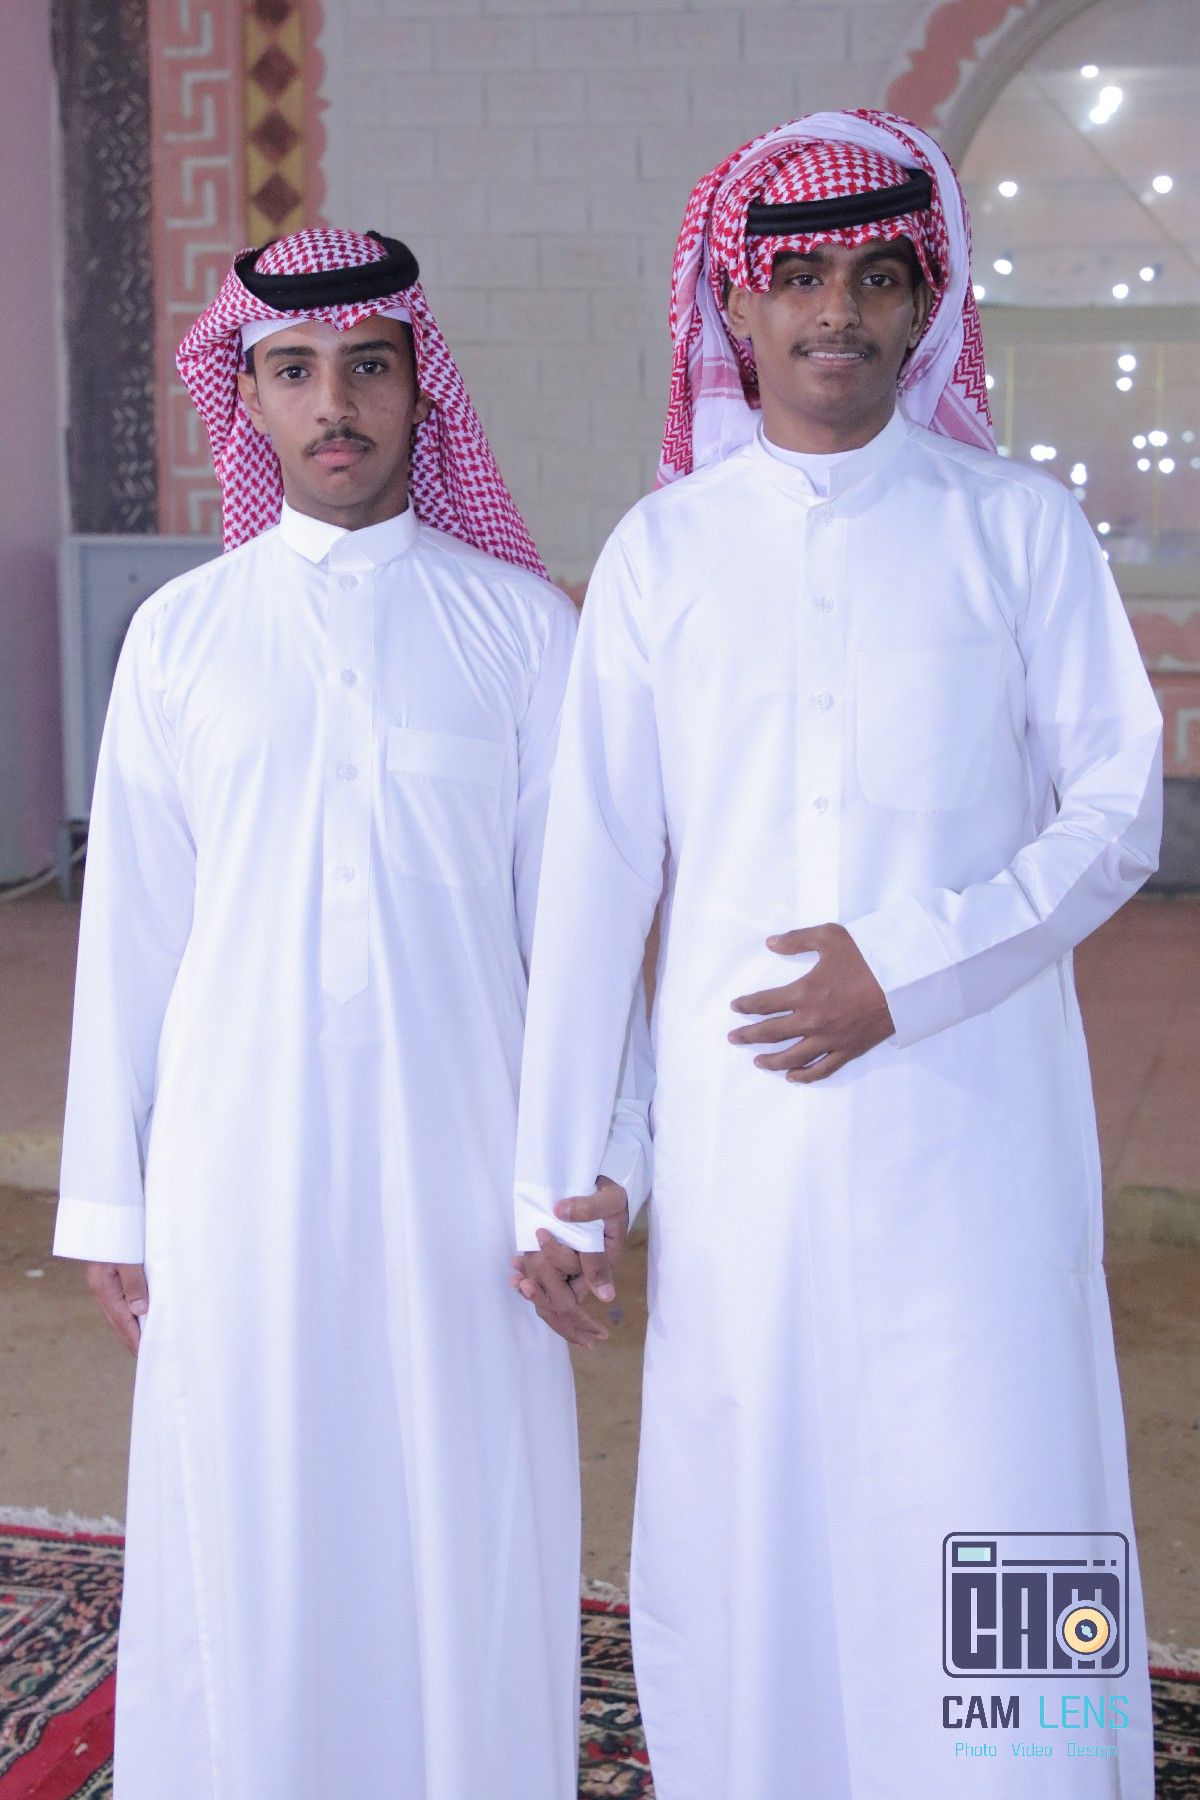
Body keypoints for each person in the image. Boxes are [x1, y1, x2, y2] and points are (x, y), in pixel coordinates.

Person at [512, 112, 1161, 1797]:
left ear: (925, 305)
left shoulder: (1017, 526)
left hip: (975, 1134)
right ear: (732, 306)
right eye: (797, 275)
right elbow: (595, 881)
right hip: (750, 1151)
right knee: (755, 1511)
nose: (837, 312)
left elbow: (1117, 810)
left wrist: (912, 965)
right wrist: (571, 1170)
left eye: (879, 276)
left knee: (999, 1478)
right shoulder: (662, 554)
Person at [54, 225, 648, 1800]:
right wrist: (114, 1198)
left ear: (420, 388)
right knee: (245, 1515)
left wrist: (592, 1177)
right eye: (296, 370)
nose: (336, 404)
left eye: (368, 367)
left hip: (471, 1176)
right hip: (235, 1171)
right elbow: (132, 937)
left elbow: (584, 940)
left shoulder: (521, 628)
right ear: (246, 398)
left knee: (467, 1516)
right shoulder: (180, 637)